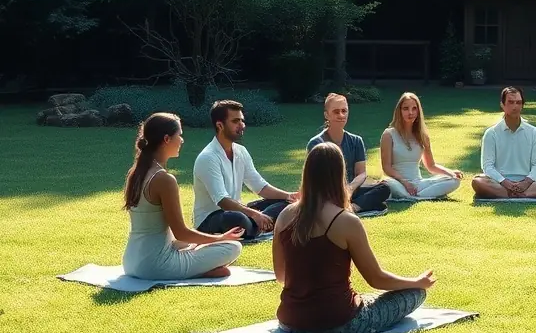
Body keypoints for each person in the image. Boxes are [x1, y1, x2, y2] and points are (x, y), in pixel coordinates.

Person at [273, 143, 435, 333]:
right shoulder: (346, 221)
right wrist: (416, 282)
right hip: (340, 322)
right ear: (339, 175)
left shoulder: (284, 216)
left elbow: (281, 276)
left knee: (371, 298)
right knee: (416, 293)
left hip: (290, 321)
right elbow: (376, 279)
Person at [122, 113, 244, 280]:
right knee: (233, 247)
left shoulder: (135, 172)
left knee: (194, 243)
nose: (182, 140)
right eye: (179, 135)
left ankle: (202, 267)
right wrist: (221, 238)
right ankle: (202, 271)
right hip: (155, 266)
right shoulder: (164, 179)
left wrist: (207, 240)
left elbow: (170, 236)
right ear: (166, 139)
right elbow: (181, 233)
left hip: (131, 262)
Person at [193, 100, 297, 241]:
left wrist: (289, 195)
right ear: (220, 125)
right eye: (236, 121)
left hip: (238, 210)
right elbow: (222, 201)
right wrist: (254, 214)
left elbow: (259, 186)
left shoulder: (241, 151)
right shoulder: (208, 157)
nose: (241, 125)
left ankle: (255, 227)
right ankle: (260, 225)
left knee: (288, 204)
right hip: (212, 218)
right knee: (237, 218)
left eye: (242, 120)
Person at [470, 87, 536, 199]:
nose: (515, 106)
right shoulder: (491, 133)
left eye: (518, 103)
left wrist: (526, 182)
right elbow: (487, 166)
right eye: (510, 102)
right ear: (502, 105)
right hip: (500, 183)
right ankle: (523, 195)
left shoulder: (533, 132)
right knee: (477, 182)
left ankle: (512, 195)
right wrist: (505, 182)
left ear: (522, 105)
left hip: (528, 183)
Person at [306, 93, 391, 214]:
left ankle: (352, 208)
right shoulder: (316, 143)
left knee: (384, 188)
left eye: (344, 111)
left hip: (351, 190)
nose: (341, 115)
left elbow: (361, 173)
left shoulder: (356, 141)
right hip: (327, 193)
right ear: (326, 115)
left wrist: (349, 189)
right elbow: (315, 180)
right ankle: (356, 206)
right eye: (336, 112)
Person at [380, 92, 462, 201]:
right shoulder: (388, 134)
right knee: (387, 183)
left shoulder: (422, 136)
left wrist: (450, 172)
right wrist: (405, 182)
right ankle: (421, 196)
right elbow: (387, 168)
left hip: (418, 184)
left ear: (419, 111)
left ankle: (414, 196)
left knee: (454, 180)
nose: (410, 112)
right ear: (399, 111)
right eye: (406, 108)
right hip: (398, 182)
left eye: (414, 109)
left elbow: (431, 165)